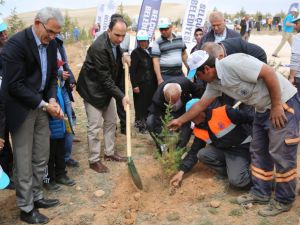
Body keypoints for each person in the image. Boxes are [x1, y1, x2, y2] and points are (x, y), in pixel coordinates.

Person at [168, 50, 299, 217]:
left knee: (281, 153)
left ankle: (284, 200)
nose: (198, 78)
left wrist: (276, 105)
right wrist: (181, 120)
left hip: (282, 103)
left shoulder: (234, 64)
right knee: (259, 151)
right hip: (261, 109)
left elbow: (268, 73)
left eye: (199, 74)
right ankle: (261, 192)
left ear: (207, 69)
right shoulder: (215, 84)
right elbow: (200, 105)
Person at [1, 7, 64, 224]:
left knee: (40, 155)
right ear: (38, 23)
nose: (53, 37)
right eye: (51, 31)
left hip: (42, 105)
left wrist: (53, 99)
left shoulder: (52, 43)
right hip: (21, 109)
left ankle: (37, 196)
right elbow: (14, 85)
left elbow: (52, 75)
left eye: (57, 33)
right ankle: (26, 208)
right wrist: (45, 104)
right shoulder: (16, 45)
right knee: (24, 160)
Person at [77, 15, 129, 174]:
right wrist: (122, 96)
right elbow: (105, 79)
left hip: (106, 90)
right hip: (92, 91)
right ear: (108, 31)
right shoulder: (99, 47)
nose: (120, 39)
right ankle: (94, 160)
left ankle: (109, 153)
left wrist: (124, 55)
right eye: (117, 35)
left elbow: (116, 54)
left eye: (123, 35)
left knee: (111, 121)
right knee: (94, 126)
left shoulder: (114, 43)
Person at [170, 97, 253, 189]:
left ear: (200, 111)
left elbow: (251, 119)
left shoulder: (224, 112)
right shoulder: (199, 128)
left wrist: (259, 142)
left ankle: (260, 182)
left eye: (191, 115)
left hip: (242, 148)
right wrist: (181, 172)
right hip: (225, 151)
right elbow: (194, 152)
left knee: (237, 181)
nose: (191, 119)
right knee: (202, 154)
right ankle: (232, 172)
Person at [147, 77, 204, 151]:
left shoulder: (185, 83)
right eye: (170, 103)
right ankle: (162, 146)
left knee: (187, 126)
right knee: (150, 121)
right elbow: (158, 118)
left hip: (183, 111)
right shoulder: (157, 98)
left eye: (175, 101)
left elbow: (198, 92)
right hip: (165, 113)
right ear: (164, 95)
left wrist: (194, 107)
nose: (172, 104)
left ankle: (179, 148)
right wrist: (163, 135)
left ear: (181, 92)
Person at [55, 34, 79, 168]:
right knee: (58, 125)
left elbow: (65, 64)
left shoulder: (59, 44)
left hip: (63, 89)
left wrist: (71, 79)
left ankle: (66, 157)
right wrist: (58, 74)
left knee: (68, 121)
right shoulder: (42, 46)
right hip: (52, 92)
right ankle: (57, 159)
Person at [130, 30, 157, 133]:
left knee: (149, 104)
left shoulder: (151, 51)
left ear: (148, 41)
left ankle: (147, 123)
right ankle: (141, 126)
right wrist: (135, 85)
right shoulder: (135, 53)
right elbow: (132, 71)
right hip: (140, 84)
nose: (142, 43)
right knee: (140, 105)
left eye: (144, 41)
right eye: (140, 41)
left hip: (151, 83)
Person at [151, 17, 189, 84]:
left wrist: (189, 68)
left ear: (171, 27)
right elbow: (156, 61)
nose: (163, 31)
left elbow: (184, 54)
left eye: (165, 29)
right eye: (161, 29)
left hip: (179, 74)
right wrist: (159, 79)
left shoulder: (179, 38)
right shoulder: (157, 42)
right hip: (165, 76)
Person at [0, 18, 14, 190]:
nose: (4, 35)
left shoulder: (8, 49)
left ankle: (10, 170)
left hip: (9, 99)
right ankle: (6, 174)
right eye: (0, 33)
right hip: (1, 101)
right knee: (2, 138)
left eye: (4, 32)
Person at [288, 16, 300, 92]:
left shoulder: (298, 37)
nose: (294, 25)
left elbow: (295, 58)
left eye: (296, 23)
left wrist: (292, 77)